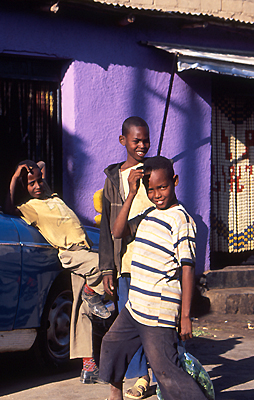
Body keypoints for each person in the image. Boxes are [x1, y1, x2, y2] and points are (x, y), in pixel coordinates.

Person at [99, 156, 206, 400]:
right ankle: (115, 396)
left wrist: (186, 316)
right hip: (135, 307)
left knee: (167, 373)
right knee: (112, 345)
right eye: (151, 189)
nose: (157, 194)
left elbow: (188, 269)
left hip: (158, 314)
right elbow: (117, 231)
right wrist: (132, 194)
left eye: (163, 187)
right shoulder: (148, 214)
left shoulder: (181, 221)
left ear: (175, 182)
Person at [4, 160, 110, 383]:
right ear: (25, 188)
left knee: (82, 311)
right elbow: (8, 208)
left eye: (40, 180)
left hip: (84, 250)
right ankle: (92, 292)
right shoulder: (30, 208)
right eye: (31, 184)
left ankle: (88, 367)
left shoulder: (53, 198)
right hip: (72, 253)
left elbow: (41, 165)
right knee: (106, 266)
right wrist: (16, 176)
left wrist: (32, 167)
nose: (37, 186)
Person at [99, 116, 154, 399]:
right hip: (126, 264)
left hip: (153, 265)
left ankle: (146, 377)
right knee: (126, 322)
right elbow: (109, 228)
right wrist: (107, 267)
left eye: (146, 140)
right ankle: (130, 378)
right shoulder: (114, 179)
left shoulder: (155, 172)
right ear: (123, 141)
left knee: (151, 322)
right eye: (136, 141)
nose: (142, 145)